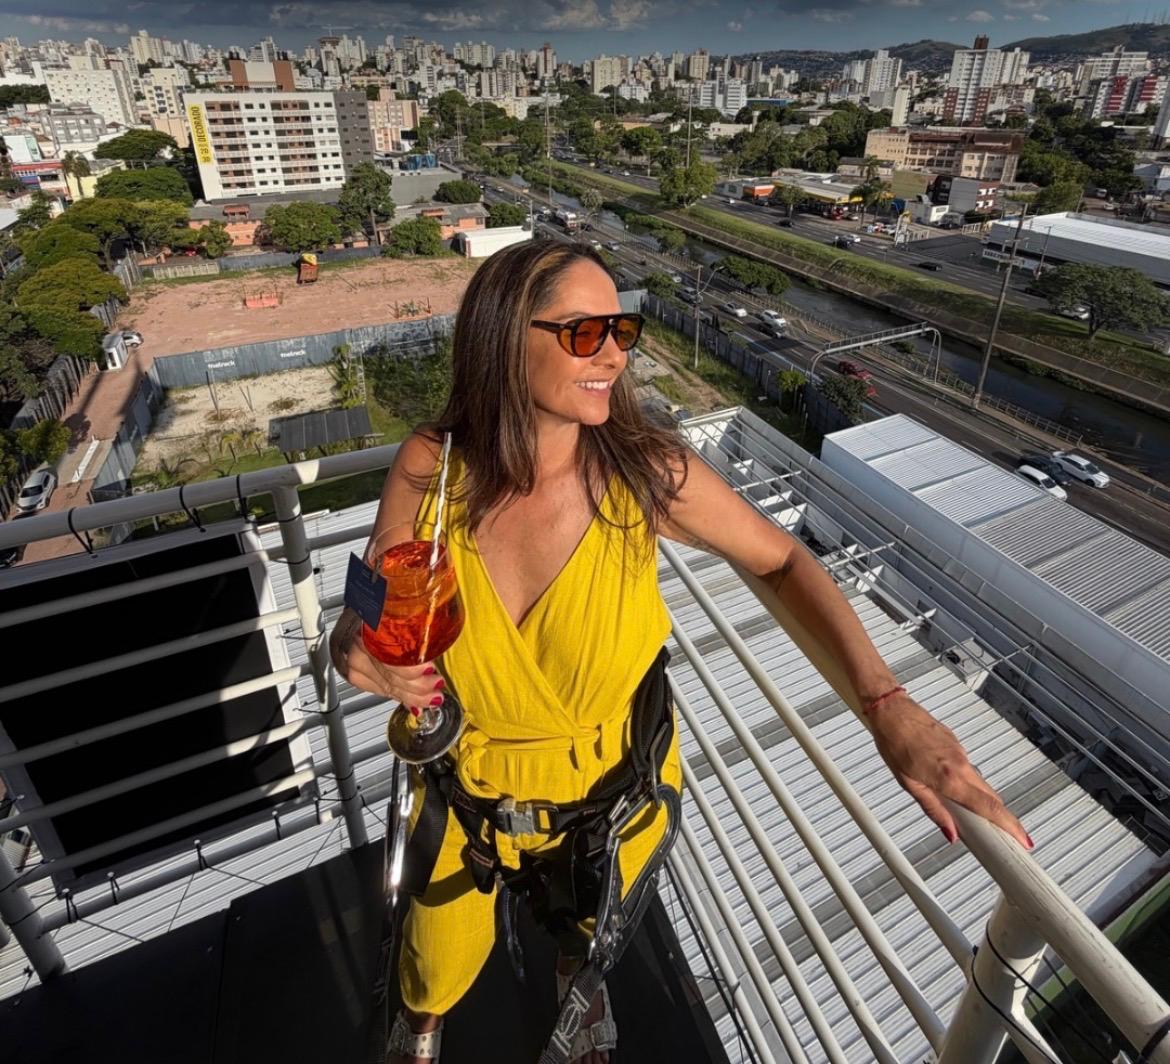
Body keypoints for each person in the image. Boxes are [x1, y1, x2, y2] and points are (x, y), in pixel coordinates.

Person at [329, 240, 1031, 1064]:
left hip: (605, 794)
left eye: (622, 330)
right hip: (467, 781)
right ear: (504, 335)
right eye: (586, 333)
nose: (617, 354)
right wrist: (355, 643)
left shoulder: (644, 475)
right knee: (432, 956)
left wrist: (887, 707)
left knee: (587, 936)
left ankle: (575, 992)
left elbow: (782, 559)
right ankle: (418, 1028)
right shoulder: (432, 464)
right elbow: (376, 592)